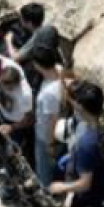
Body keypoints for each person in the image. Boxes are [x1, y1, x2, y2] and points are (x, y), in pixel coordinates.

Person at [48, 80, 104, 207]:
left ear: (81, 107)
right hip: (102, 191)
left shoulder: (87, 143)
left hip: (87, 200)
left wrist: (62, 187)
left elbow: (85, 183)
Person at [30, 45, 63, 190]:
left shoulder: (49, 93)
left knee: (45, 171)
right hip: (52, 133)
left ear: (38, 65)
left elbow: (53, 119)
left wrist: (50, 143)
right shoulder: (59, 70)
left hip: (46, 136)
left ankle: (46, 195)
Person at [6, 2, 61, 66]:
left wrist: (8, 40)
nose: (20, 20)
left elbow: (15, 58)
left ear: (29, 23)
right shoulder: (48, 32)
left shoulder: (37, 37)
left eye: (21, 18)